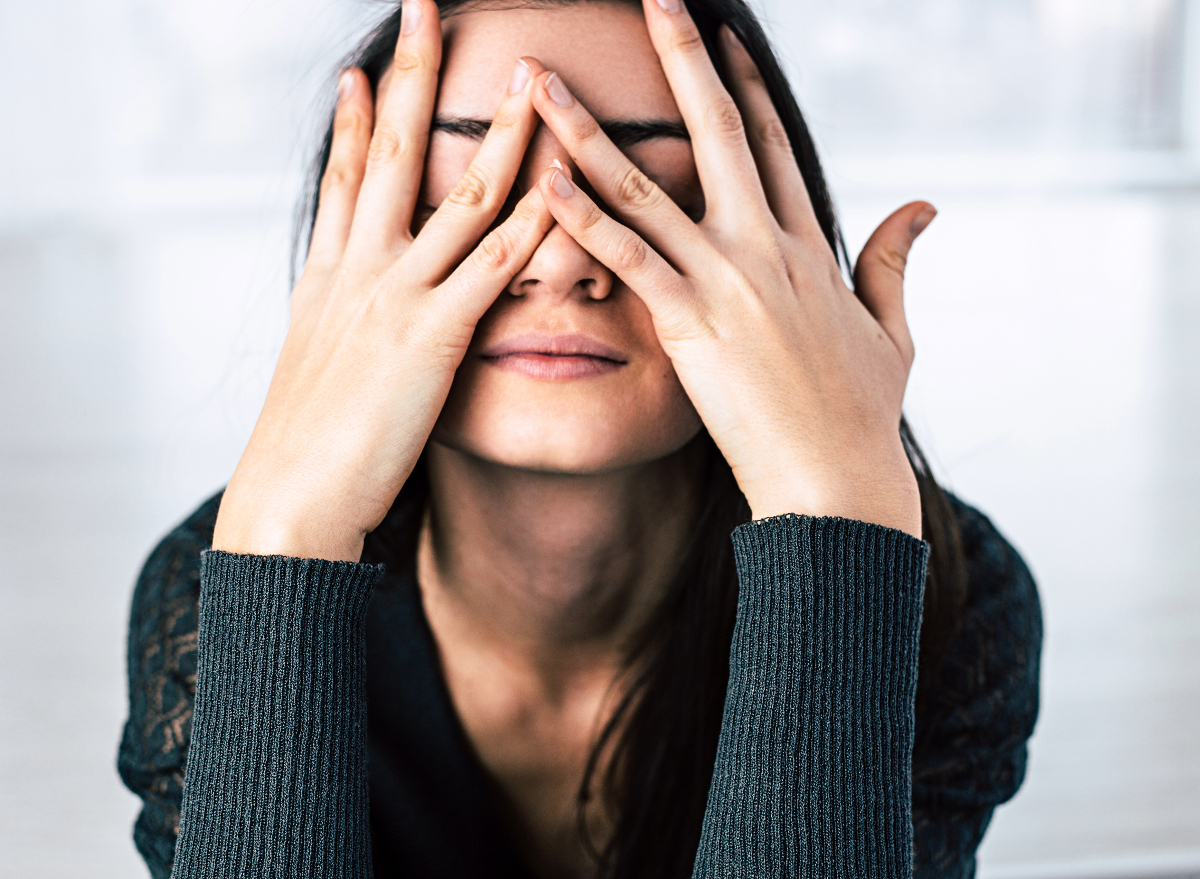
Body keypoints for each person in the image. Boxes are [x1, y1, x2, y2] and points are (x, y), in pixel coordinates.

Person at [117, 0, 1042, 877]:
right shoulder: (206, 598)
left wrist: (838, 512)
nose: (559, 259)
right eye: (476, 194)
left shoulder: (947, 598)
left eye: (639, 188)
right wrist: (285, 538)